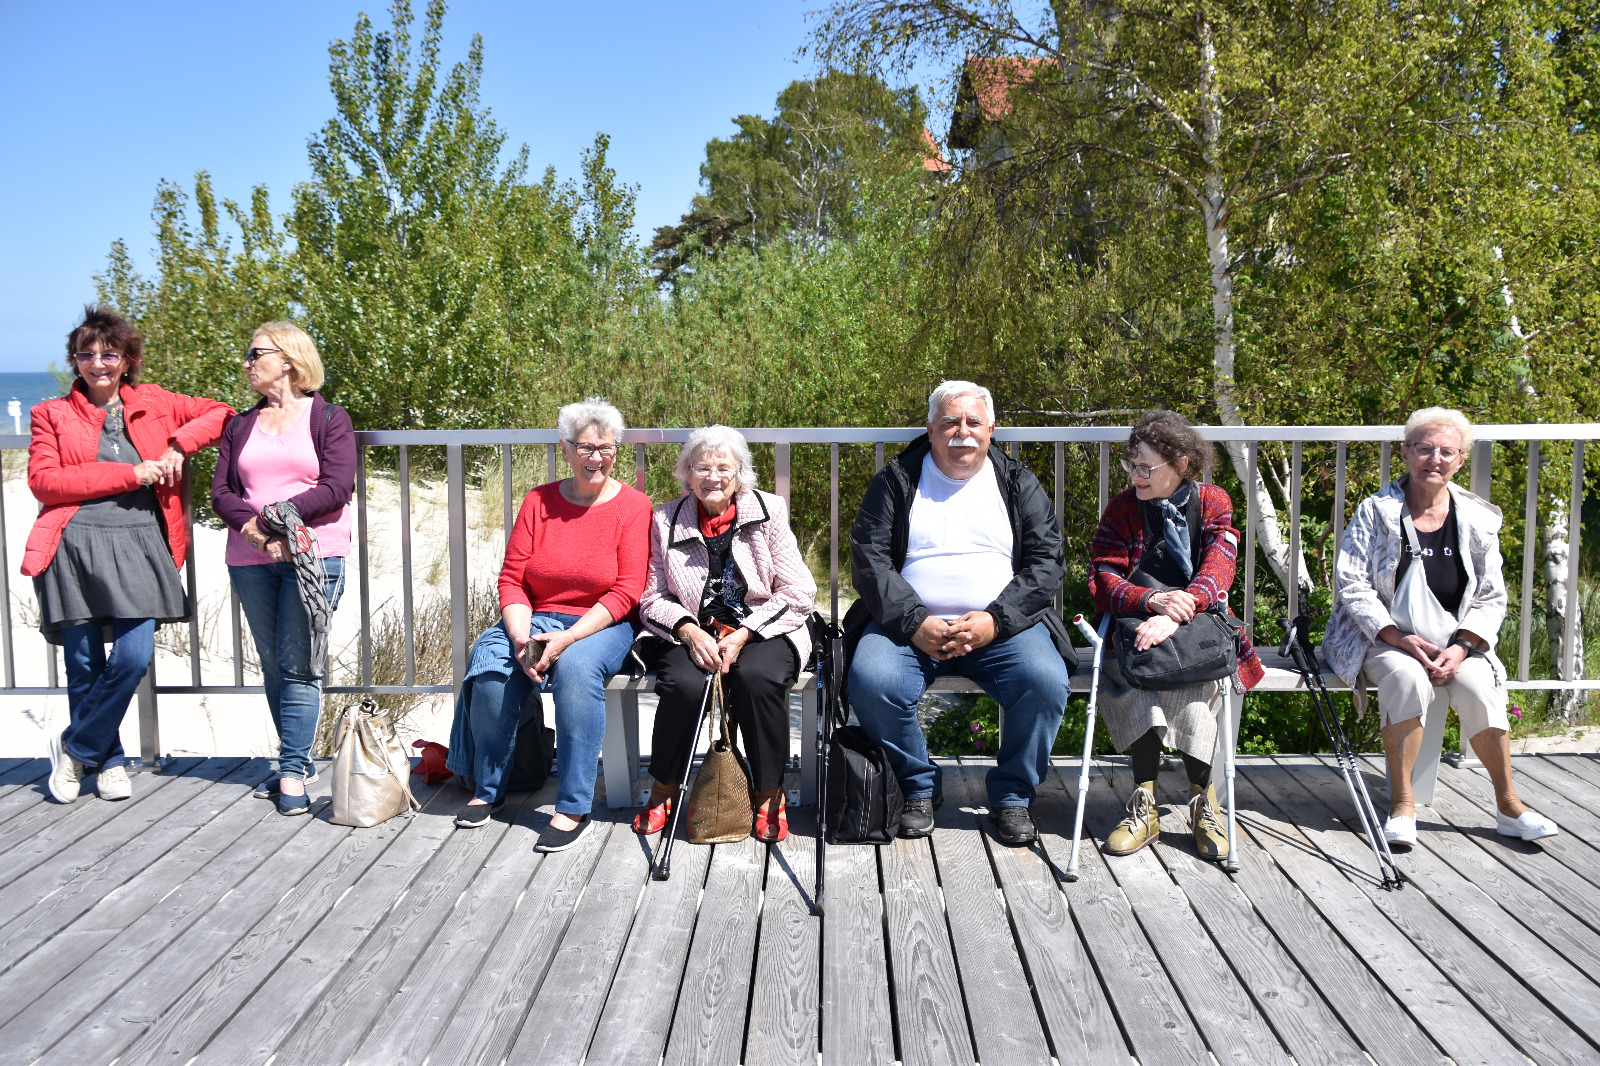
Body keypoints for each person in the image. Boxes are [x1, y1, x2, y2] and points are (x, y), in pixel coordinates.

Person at [846, 380, 1075, 845]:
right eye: (950, 422)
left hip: (1002, 628)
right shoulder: (895, 481)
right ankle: (917, 787)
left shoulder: (1017, 482)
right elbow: (869, 561)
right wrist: (915, 622)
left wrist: (995, 620)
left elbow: (1047, 562)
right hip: (907, 628)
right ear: (931, 429)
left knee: (1044, 681)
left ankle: (1012, 795)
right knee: (872, 680)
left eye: (974, 422)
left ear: (992, 429)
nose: (962, 432)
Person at [25, 306, 233, 804]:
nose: (97, 363)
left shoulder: (155, 402)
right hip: (73, 542)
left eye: (108, 354)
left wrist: (179, 445)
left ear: (127, 360)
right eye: (86, 354)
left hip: (141, 541)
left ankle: (75, 747)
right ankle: (110, 762)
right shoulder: (50, 414)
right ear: (75, 360)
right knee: (83, 662)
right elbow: (44, 481)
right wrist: (131, 474)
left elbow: (222, 413)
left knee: (134, 655)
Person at [1325, 407, 1557, 844]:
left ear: (1461, 459)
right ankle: (1402, 804)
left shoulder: (1477, 519)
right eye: (1424, 448)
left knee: (1479, 685)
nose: (1434, 459)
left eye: (1446, 452)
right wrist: (1395, 635)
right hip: (1381, 638)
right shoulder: (1376, 511)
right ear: (1405, 453)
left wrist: (1462, 647)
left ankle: (1509, 805)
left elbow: (1492, 596)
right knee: (1407, 678)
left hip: (1453, 642)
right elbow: (1351, 583)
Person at [447, 398, 650, 852]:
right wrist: (522, 638)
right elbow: (512, 579)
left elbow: (627, 592)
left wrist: (568, 638)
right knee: (492, 668)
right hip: (536, 617)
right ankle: (489, 788)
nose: (596, 457)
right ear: (565, 449)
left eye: (606, 447)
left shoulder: (634, 506)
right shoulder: (539, 501)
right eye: (585, 447)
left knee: (577, 670)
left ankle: (574, 806)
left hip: (602, 623)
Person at [1088, 410, 1264, 862]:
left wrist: (1180, 610)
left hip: (1197, 623)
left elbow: (1220, 566)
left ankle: (1204, 803)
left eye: (1146, 467)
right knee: (1140, 678)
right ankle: (1144, 804)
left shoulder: (1213, 501)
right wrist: (1152, 601)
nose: (1136, 476)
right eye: (1131, 465)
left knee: (1197, 685)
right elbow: (1103, 578)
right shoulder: (1124, 508)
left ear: (1181, 464)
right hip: (1136, 624)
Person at [637, 426, 817, 843]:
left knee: (757, 678)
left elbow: (799, 591)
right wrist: (686, 629)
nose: (713, 477)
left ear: (740, 475)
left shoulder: (768, 510)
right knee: (682, 684)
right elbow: (653, 598)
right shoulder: (665, 518)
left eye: (724, 468)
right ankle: (664, 788)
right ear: (687, 473)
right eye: (702, 467)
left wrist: (745, 633)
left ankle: (769, 793)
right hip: (694, 629)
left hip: (763, 625)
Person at [211, 321, 355, 816]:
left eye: (255, 354)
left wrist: (277, 520)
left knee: (300, 664)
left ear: (289, 360)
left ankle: (292, 769)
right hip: (249, 557)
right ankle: (298, 762)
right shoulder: (240, 425)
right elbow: (222, 493)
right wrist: (256, 532)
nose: (247, 363)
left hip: (314, 556)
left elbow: (336, 487)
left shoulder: (328, 418)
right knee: (273, 663)